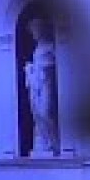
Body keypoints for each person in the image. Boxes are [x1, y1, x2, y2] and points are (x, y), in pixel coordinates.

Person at [23, 16, 59, 156]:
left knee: (46, 111)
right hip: (37, 82)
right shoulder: (37, 48)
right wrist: (30, 68)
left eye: (36, 30)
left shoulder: (50, 45)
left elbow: (58, 61)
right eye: (32, 30)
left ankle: (54, 144)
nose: (34, 33)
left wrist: (44, 67)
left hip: (47, 81)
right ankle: (44, 144)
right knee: (37, 112)